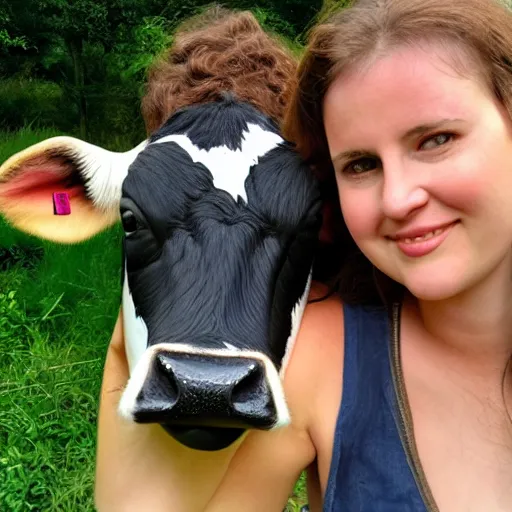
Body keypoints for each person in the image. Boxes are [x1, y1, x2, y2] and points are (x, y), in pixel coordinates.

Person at [95, 0, 512, 510]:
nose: (399, 199)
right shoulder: (320, 359)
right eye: (360, 164)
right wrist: (128, 342)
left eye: (437, 139)